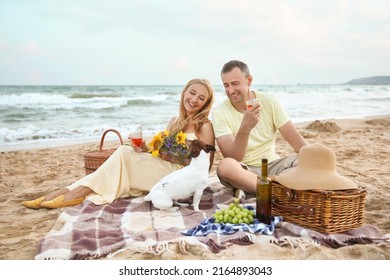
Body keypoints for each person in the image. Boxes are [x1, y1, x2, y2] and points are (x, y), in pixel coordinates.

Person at [22, 78, 215, 209]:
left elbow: (202, 169)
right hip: (164, 168)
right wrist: (146, 149)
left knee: (123, 154)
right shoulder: (175, 122)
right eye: (192, 93)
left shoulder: (204, 126)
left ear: (206, 103)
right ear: (184, 93)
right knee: (127, 151)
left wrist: (169, 155)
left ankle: (74, 192)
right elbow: (161, 151)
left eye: (201, 98)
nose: (194, 100)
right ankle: (67, 191)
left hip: (180, 179)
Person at [212, 60, 308, 196]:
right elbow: (233, 157)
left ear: (249, 80)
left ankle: (260, 188)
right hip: (244, 171)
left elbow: (297, 142)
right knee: (225, 166)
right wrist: (245, 128)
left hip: (274, 166)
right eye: (226, 85)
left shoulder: (269, 101)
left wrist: (314, 159)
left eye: (235, 84)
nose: (230, 90)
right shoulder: (220, 113)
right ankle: (277, 191)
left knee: (307, 161)